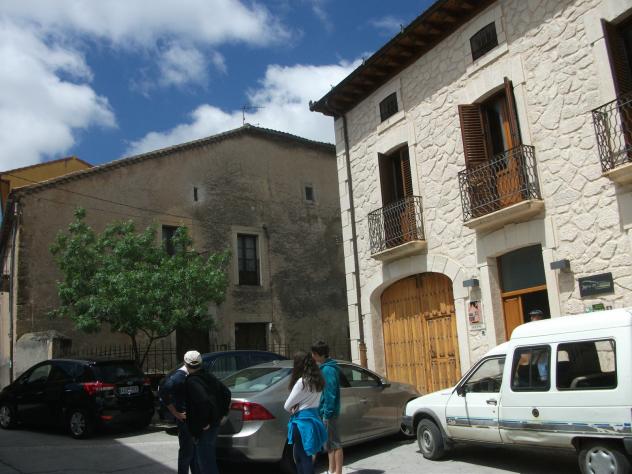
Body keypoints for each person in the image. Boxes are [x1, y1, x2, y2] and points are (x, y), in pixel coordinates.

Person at [184, 350, 231, 474]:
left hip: (204, 427)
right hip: (214, 423)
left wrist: (205, 422)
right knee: (207, 459)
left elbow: (203, 401)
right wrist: (222, 414)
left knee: (206, 462)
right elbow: (226, 393)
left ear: (186, 364)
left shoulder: (192, 381)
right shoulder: (208, 376)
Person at [284, 351, 327, 474]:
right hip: (314, 419)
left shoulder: (301, 382)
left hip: (301, 423)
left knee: (301, 457)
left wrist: (294, 408)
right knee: (307, 456)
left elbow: (287, 406)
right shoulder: (318, 380)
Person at [159, 351, 201, 474]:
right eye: (193, 366)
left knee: (195, 453)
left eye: (197, 366)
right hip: (185, 421)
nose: (195, 369)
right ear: (186, 364)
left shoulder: (192, 375)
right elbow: (163, 393)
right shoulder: (178, 377)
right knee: (187, 453)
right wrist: (176, 413)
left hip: (195, 420)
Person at [311, 341, 343, 474]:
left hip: (329, 412)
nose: (312, 356)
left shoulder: (328, 370)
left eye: (314, 353)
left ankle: (337, 471)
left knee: (334, 443)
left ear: (319, 354)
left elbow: (330, 393)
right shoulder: (327, 368)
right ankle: (331, 469)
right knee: (329, 443)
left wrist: (327, 413)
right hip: (327, 411)